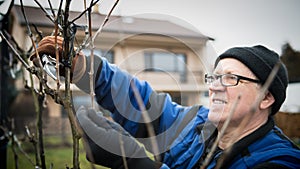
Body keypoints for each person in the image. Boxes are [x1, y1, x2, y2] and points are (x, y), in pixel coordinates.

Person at [31, 36, 300, 169]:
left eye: (231, 79)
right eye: (214, 76)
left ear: (267, 98)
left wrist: (134, 163)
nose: (215, 86)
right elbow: (146, 105)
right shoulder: (197, 124)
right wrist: (84, 68)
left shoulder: (281, 162)